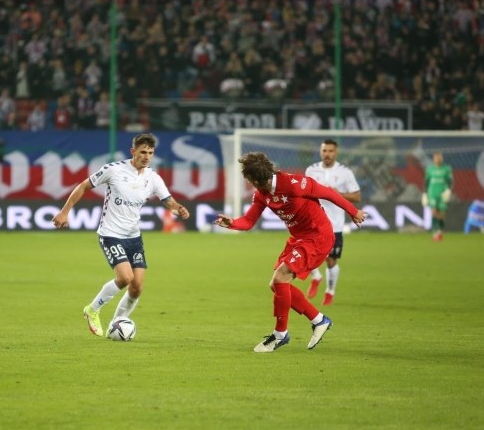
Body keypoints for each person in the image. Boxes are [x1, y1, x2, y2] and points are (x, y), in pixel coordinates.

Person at [213, 152, 366, 352]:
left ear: (257, 179)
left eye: (249, 179)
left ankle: (280, 334)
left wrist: (354, 212)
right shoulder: (262, 193)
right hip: (299, 238)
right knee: (275, 285)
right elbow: (249, 221)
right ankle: (319, 320)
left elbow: (328, 193)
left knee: (280, 278)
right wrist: (232, 222)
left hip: (318, 236)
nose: (249, 183)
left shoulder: (294, 183)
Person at [53, 133, 190, 337]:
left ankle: (117, 323)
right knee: (125, 278)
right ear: (133, 151)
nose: (146, 156)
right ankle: (92, 309)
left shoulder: (153, 178)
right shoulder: (114, 170)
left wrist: (179, 208)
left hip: (133, 237)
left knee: (136, 288)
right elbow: (83, 186)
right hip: (110, 234)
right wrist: (65, 211)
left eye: (150, 153)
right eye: (142, 152)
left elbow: (168, 201)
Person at [303, 138, 361, 306]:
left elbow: (357, 196)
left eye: (330, 151)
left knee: (330, 260)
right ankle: (316, 277)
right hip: (312, 222)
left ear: (336, 153)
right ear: (321, 152)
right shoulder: (311, 170)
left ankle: (330, 291)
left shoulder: (345, 172)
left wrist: (337, 194)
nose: (327, 154)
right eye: (324, 151)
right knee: (306, 253)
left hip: (334, 224)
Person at [423, 151, 453, 241]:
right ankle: (436, 232)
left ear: (442, 158)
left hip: (442, 194)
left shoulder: (447, 169)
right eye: (436, 157)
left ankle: (440, 231)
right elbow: (426, 182)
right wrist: (425, 193)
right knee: (434, 212)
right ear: (433, 159)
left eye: (439, 157)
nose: (438, 159)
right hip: (432, 193)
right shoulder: (430, 169)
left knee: (442, 214)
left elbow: (450, 181)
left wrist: (448, 190)